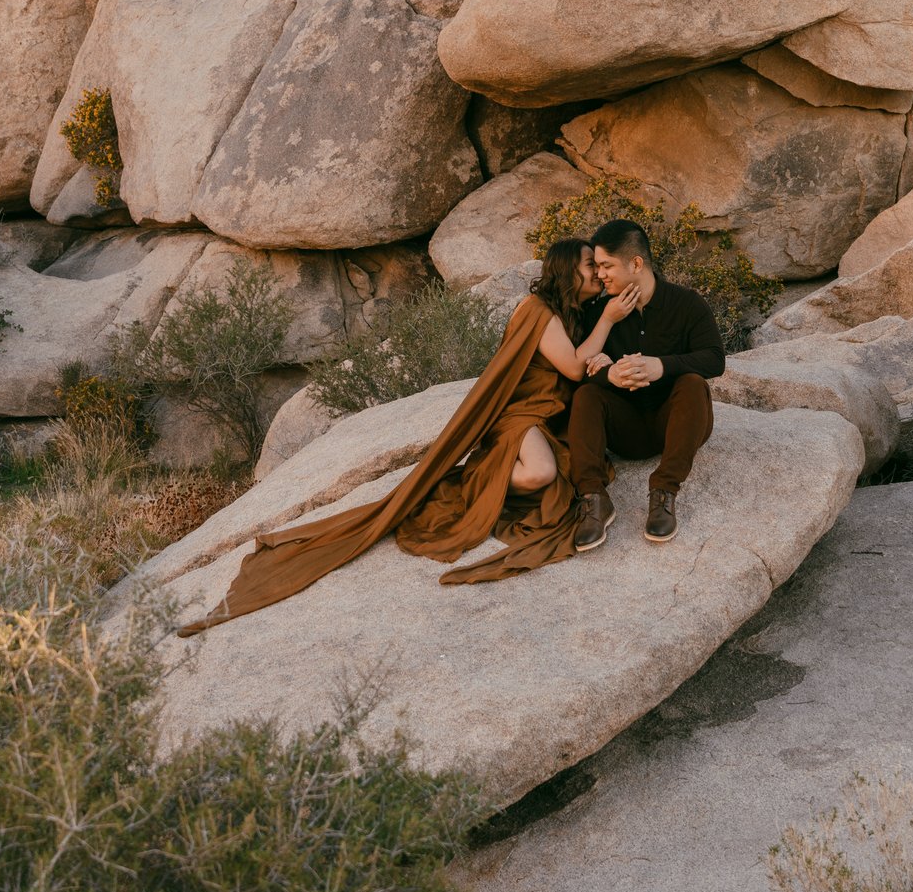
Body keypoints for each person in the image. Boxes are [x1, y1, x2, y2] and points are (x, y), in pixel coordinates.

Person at [177, 238, 623, 633]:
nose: (597, 273)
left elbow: (581, 366)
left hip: (548, 418)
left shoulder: (574, 315)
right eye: (589, 265)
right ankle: (479, 484)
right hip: (518, 417)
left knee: (559, 475)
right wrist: (608, 323)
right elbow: (570, 366)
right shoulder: (538, 311)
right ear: (567, 269)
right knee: (543, 474)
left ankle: (486, 484)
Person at [567, 218, 723, 549]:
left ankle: (664, 493)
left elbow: (714, 359)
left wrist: (660, 366)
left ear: (636, 263)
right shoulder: (599, 312)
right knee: (586, 395)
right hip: (628, 430)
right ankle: (594, 499)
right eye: (596, 266)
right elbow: (580, 371)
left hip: (678, 424)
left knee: (694, 384)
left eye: (606, 265)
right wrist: (609, 374)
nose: (600, 274)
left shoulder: (686, 304)